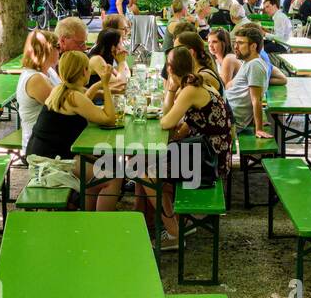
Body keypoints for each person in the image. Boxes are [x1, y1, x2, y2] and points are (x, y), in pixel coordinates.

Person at [135, 45, 233, 248]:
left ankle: (173, 234)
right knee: (148, 162)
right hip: (210, 151)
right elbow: (191, 121)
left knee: (145, 172)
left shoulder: (189, 89)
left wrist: (170, 90)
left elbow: (166, 122)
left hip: (209, 159)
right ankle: (174, 221)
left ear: (170, 69)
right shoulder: (197, 82)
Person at [25, 50, 116, 200]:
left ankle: (88, 214)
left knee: (103, 163)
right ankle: (100, 222)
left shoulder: (60, 90)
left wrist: (99, 85)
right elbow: (109, 119)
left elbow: (85, 104)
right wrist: (105, 85)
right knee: (112, 178)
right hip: (52, 162)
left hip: (42, 152)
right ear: (83, 72)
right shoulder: (73, 96)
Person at [16, 29, 61, 153]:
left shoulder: (49, 71)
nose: (60, 50)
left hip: (54, 139)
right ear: (46, 49)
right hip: (40, 149)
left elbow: (67, 93)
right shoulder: (36, 79)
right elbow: (62, 105)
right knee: (104, 170)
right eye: (57, 46)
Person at [224, 23, 269, 138]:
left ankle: (180, 154)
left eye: (240, 43)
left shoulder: (255, 65)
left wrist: (258, 129)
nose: (235, 47)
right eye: (235, 42)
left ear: (253, 46)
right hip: (225, 113)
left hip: (227, 121)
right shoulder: (247, 62)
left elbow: (256, 99)